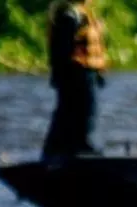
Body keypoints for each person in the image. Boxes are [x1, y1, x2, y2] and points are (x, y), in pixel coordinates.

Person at [42, 0, 107, 160]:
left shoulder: (82, 13)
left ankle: (57, 149)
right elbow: (61, 50)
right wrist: (61, 74)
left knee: (69, 112)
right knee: (83, 111)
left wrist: (98, 74)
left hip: (85, 71)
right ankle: (78, 146)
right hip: (76, 72)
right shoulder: (70, 16)